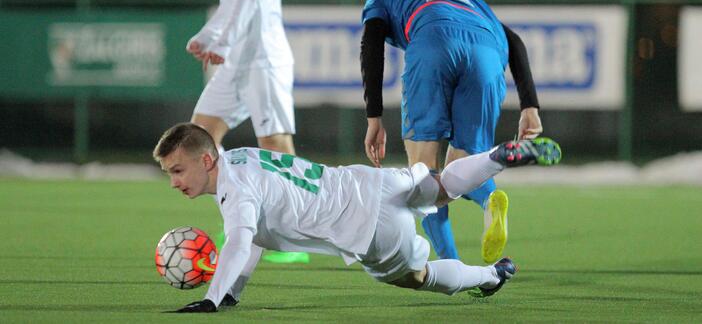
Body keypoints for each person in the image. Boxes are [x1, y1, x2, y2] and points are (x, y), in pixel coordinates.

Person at [153, 123, 561, 312]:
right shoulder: (238, 159)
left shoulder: (234, 189)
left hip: (366, 227)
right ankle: (498, 156)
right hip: (367, 182)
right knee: (440, 187)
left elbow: (240, 241)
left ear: (206, 160)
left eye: (177, 170)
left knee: (417, 278)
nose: (173, 182)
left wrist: (210, 301)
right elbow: (255, 237)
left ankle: (492, 275)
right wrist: (231, 294)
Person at [360, 0, 543, 264]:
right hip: (488, 53)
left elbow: (371, 44)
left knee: (424, 176)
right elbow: (513, 40)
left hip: (434, 42)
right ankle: (489, 201)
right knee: (464, 167)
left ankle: (450, 263)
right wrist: (530, 106)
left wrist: (374, 117)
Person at [187, 0, 306, 264]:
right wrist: (207, 37)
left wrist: (224, 40)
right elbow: (230, 2)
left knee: (276, 147)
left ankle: (293, 238)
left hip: (262, 58)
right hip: (235, 59)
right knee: (200, 136)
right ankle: (242, 219)